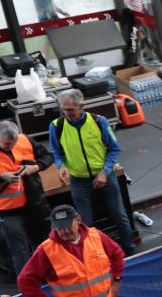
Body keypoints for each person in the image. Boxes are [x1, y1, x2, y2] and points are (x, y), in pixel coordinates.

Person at [50, 90, 136, 246]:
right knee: (84, 223)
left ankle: (128, 248)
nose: (66, 113)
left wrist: (105, 171)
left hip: (105, 175)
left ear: (82, 106)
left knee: (119, 215)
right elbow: (56, 151)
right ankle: (93, 254)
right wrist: (61, 165)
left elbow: (114, 148)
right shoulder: (56, 126)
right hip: (78, 181)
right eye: (64, 109)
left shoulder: (99, 121)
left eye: (70, 109)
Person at [0, 118, 52, 273]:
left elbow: (47, 156)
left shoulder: (25, 140)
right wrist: (0, 177)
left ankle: (52, 276)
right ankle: (28, 284)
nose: (11, 147)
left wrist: (36, 167)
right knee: (20, 251)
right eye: (7, 144)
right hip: (7, 211)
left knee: (45, 245)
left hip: (34, 204)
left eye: (14, 143)